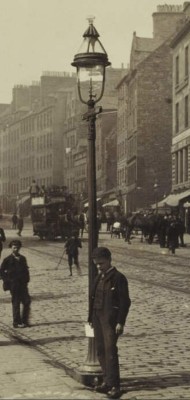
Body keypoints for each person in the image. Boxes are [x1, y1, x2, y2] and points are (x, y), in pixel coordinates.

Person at [88, 247, 131, 399]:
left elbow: (125, 302)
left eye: (101, 263)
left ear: (109, 260)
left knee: (110, 351)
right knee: (100, 350)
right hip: (97, 318)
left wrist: (120, 322)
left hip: (110, 320)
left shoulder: (118, 278)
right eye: (96, 264)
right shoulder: (99, 277)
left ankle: (115, 386)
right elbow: (92, 299)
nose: (99, 267)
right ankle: (106, 380)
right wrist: (90, 319)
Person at [0, 240, 31, 328]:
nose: (16, 249)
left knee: (27, 301)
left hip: (23, 284)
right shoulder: (7, 260)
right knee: (16, 302)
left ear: (20, 248)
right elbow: (1, 272)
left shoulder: (23, 258)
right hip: (14, 285)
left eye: (17, 247)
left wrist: (26, 280)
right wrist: (7, 281)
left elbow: (26, 270)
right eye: (14, 247)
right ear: (11, 248)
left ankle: (25, 321)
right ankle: (16, 322)